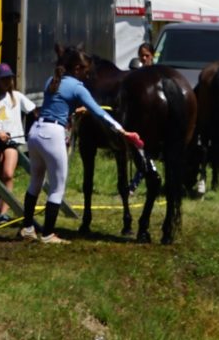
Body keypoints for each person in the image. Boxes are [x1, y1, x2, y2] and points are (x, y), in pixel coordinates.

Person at [22, 50, 142, 244]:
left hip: (36, 132)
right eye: (86, 72)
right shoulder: (78, 87)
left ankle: (27, 228)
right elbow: (99, 112)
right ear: (77, 69)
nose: (88, 76)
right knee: (57, 188)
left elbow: (57, 105)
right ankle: (48, 234)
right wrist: (123, 131)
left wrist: (74, 110)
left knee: (35, 182)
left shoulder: (51, 81)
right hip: (53, 135)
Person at [0, 62, 37, 224]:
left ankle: (5, 212)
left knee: (8, 174)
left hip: (12, 140)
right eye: (3, 79)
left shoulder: (16, 96)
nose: (7, 81)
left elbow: (33, 111)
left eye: (9, 78)